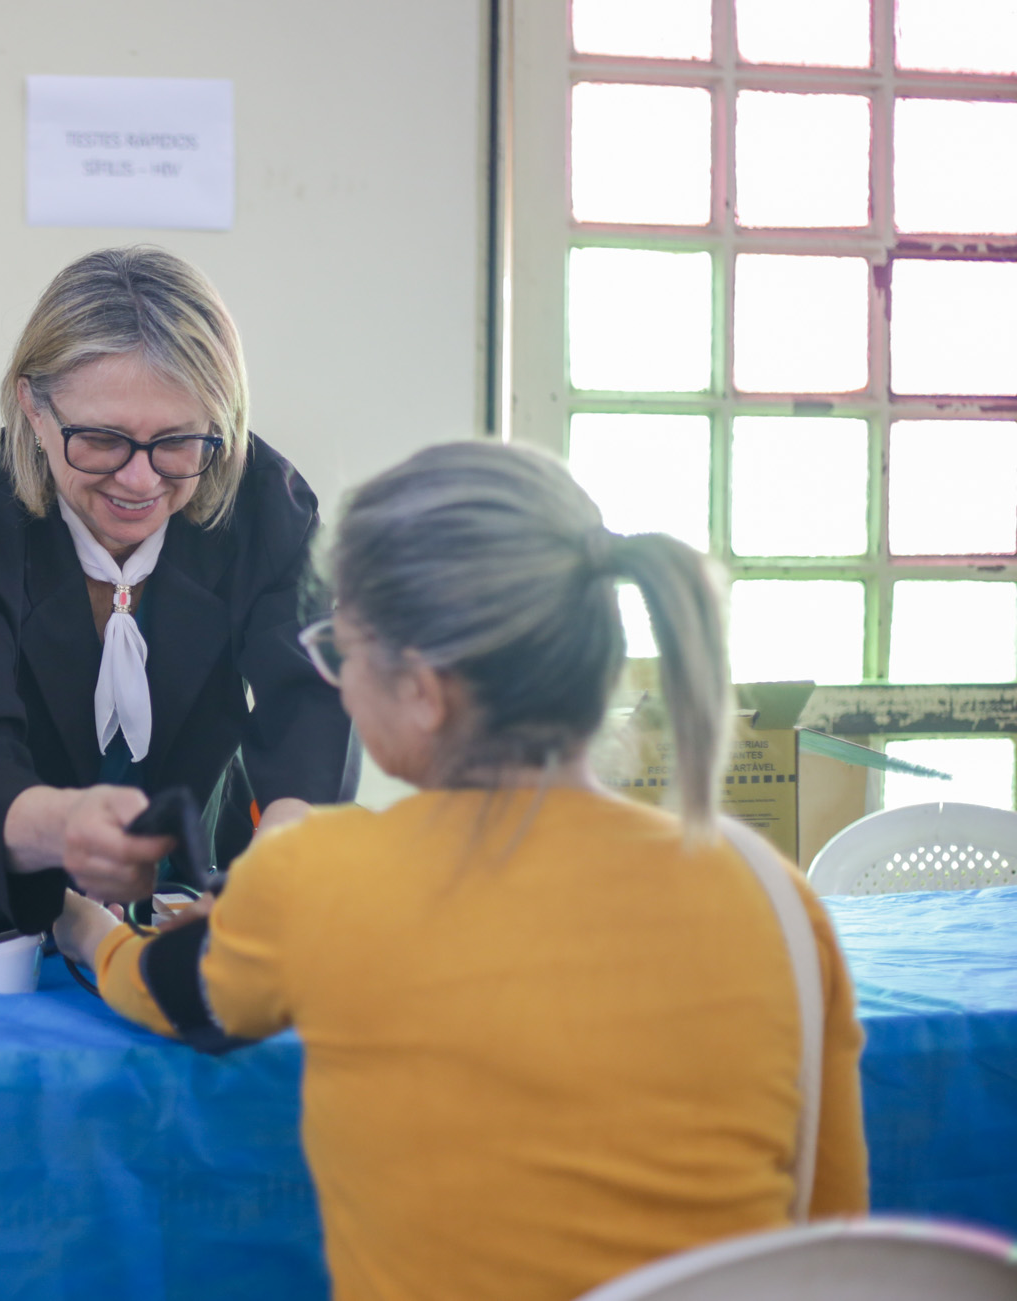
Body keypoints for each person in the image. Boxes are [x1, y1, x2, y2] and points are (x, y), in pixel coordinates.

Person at [57, 441, 869, 1301]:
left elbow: (167, 991)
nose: (334, 676)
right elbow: (835, 1238)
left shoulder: (321, 877)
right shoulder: (773, 891)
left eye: (343, 646)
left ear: (425, 690)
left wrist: (82, 922)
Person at [0, 246, 356, 947]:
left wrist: (285, 854)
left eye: (176, 441)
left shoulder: (264, 505)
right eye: (102, 440)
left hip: (178, 886)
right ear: (33, 407)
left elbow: (312, 698)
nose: (140, 480)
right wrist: (64, 860)